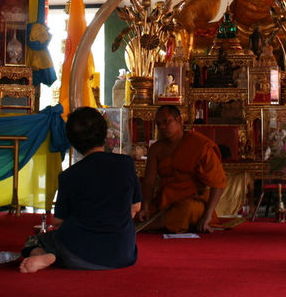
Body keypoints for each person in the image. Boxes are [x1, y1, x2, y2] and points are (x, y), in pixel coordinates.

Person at [19, 107, 141, 273]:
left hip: (77, 254)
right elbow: (136, 207)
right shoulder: (126, 164)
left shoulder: (69, 176)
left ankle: (47, 254)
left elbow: (58, 221)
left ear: (72, 141)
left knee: (33, 240)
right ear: (105, 134)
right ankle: (53, 254)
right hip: (122, 253)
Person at [137, 105, 227, 233]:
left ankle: (153, 224)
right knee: (134, 213)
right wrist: (145, 207)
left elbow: (218, 184)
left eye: (166, 122)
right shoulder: (156, 149)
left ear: (179, 120)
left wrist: (207, 216)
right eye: (158, 124)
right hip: (165, 201)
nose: (162, 127)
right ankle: (156, 222)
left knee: (185, 210)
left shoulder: (200, 145)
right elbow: (149, 182)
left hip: (193, 200)